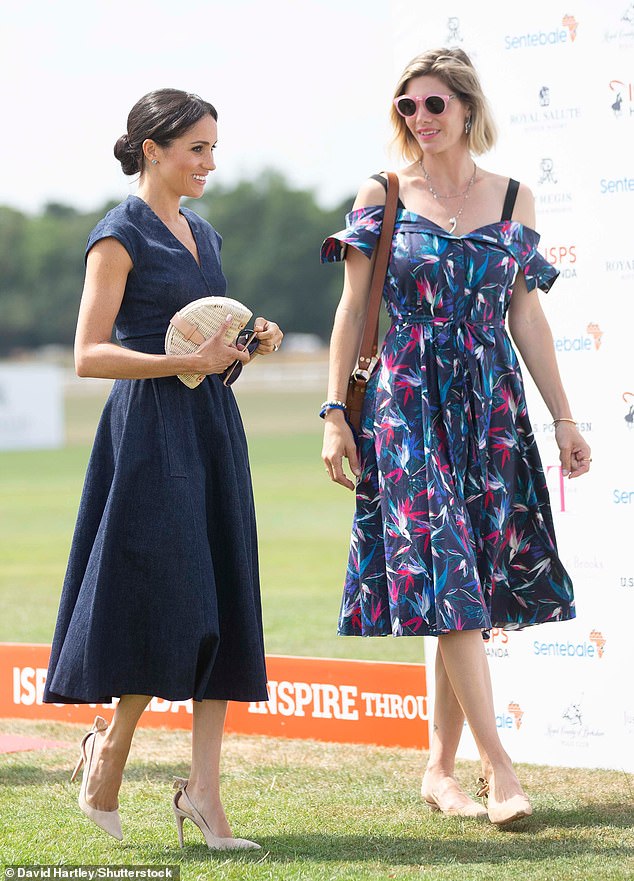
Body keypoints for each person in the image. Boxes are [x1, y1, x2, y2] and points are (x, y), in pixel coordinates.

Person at [320, 48, 591, 826]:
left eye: (433, 105)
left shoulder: (513, 198)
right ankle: (499, 770)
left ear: (467, 108)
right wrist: (336, 412)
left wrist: (564, 416)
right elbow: (351, 308)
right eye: (407, 108)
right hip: (404, 401)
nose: (420, 120)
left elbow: (526, 314)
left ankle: (438, 768)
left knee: (460, 585)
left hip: (489, 405)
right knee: (450, 574)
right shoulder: (384, 193)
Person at [43, 88, 283, 849]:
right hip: (147, 433)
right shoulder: (118, 236)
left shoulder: (204, 235)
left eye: (213, 147)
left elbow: (214, 340)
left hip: (212, 428)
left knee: (226, 606)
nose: (210, 162)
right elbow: (88, 354)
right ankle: (110, 746)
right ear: (153, 150)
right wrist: (187, 359)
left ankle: (206, 800)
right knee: (170, 601)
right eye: (197, 149)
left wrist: (248, 343)